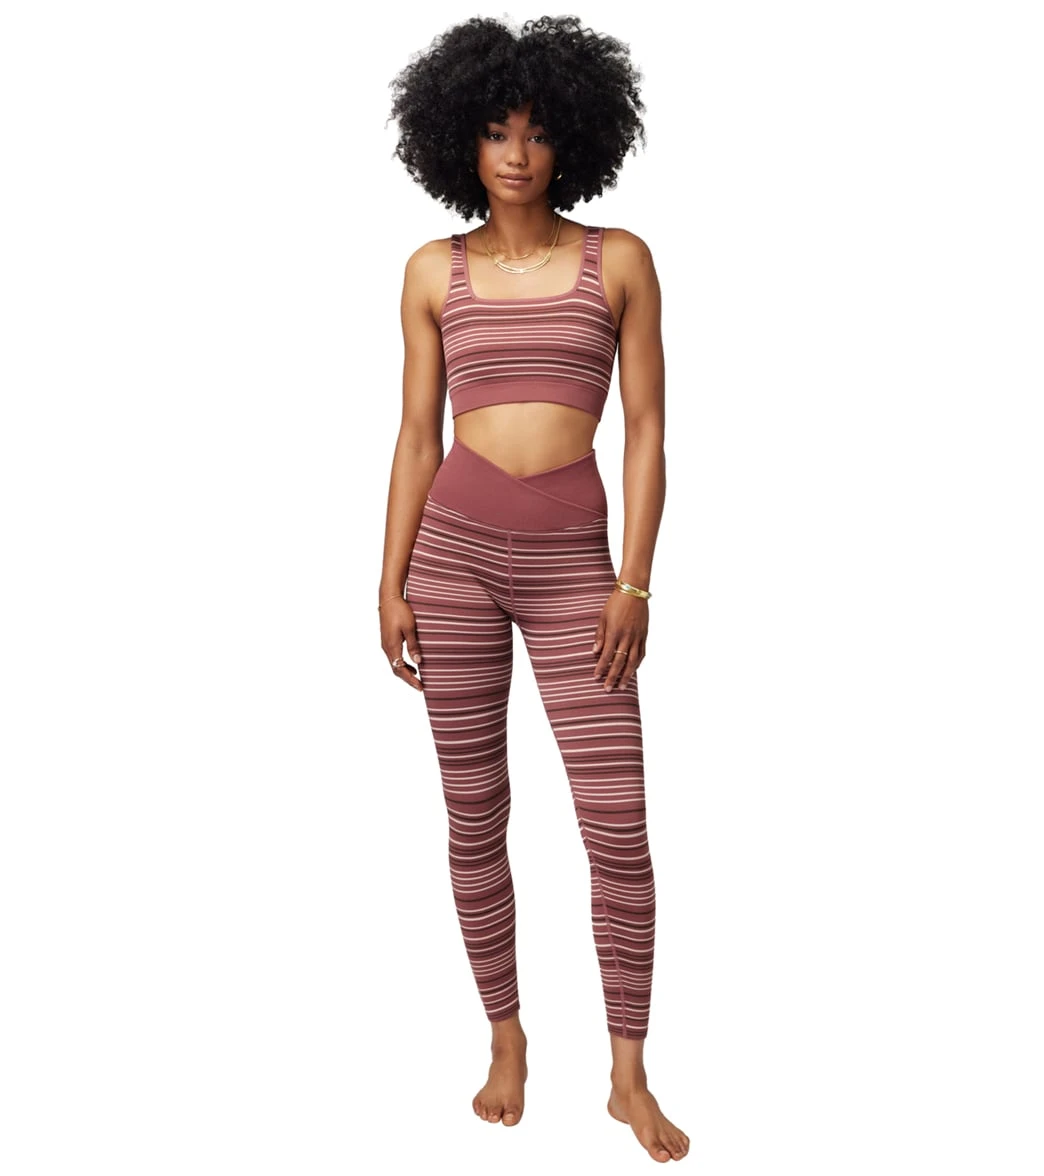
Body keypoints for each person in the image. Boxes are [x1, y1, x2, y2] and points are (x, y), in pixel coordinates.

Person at [379, 15, 688, 1163]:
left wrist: (635, 582)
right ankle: (505, 1038)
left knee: (619, 827)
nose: (517, 153)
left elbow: (648, 429)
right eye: (497, 130)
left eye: (539, 131)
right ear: (460, 139)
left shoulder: (621, 260)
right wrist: (388, 579)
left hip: (574, 571)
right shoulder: (433, 271)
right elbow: (416, 435)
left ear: (575, 141)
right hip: (451, 556)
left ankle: (627, 1074)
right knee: (475, 816)